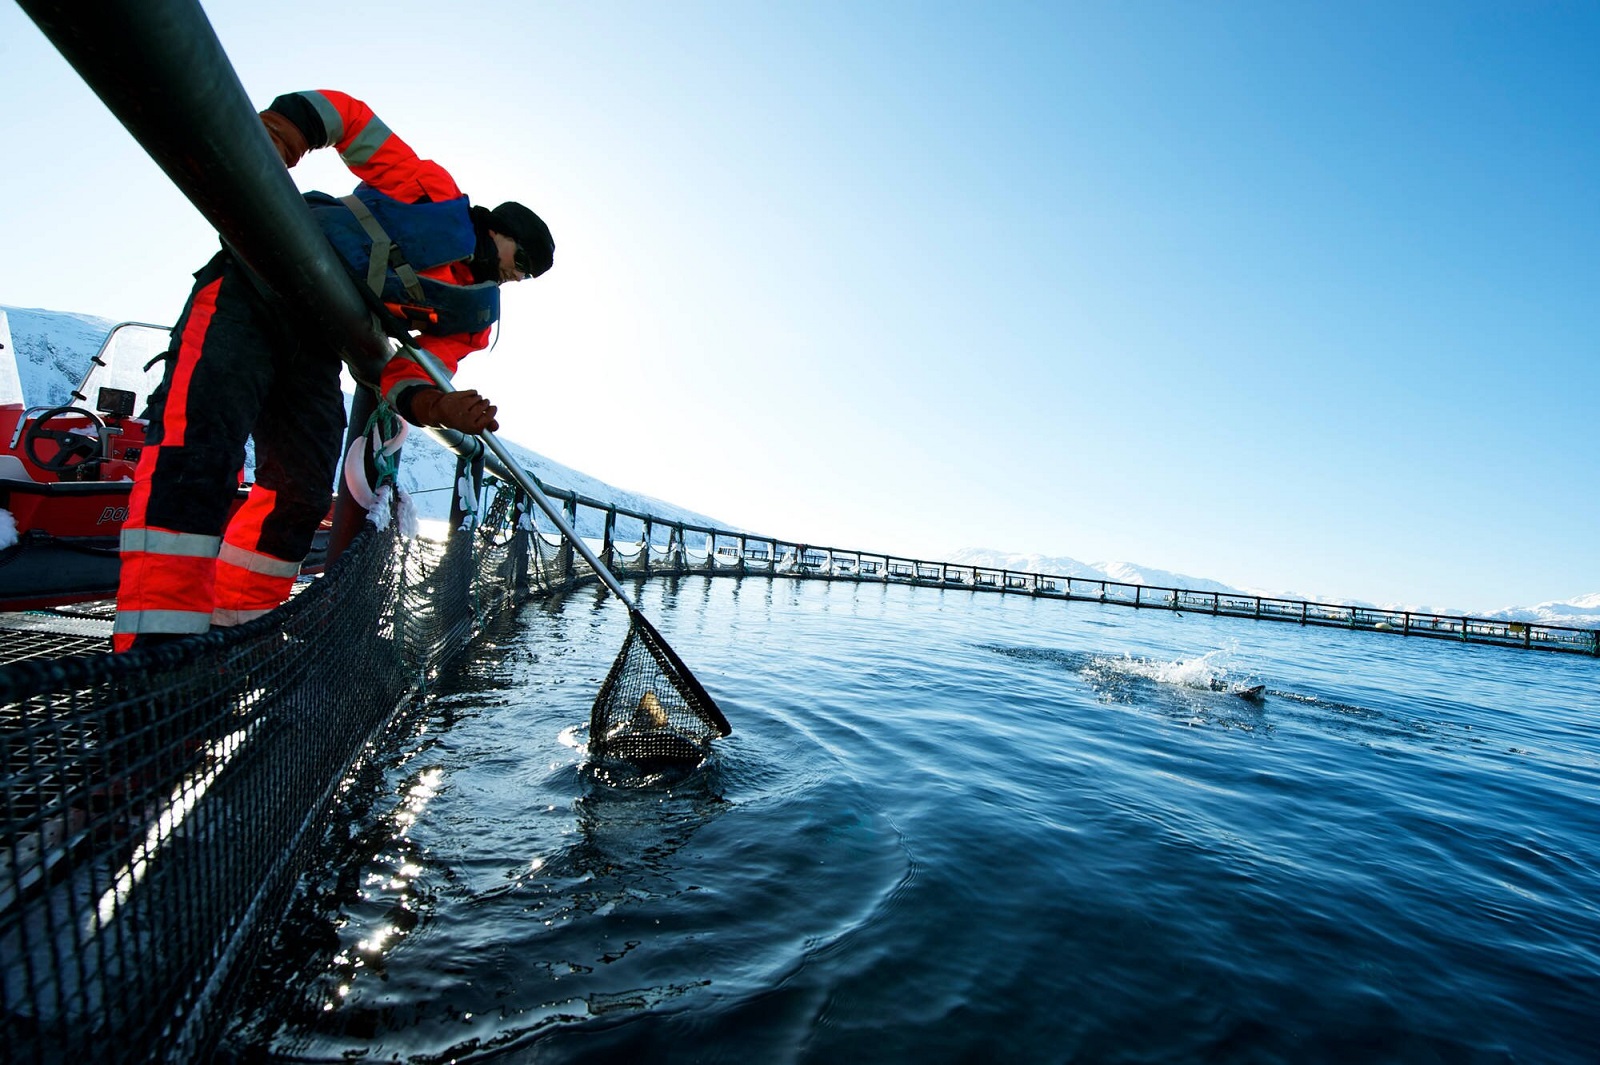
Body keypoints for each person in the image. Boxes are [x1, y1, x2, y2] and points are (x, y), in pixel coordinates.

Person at [112, 89, 553, 651]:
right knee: (196, 458)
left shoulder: (471, 323)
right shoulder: (431, 193)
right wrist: (279, 137)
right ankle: (153, 660)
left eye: (529, 276)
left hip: (316, 346)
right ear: (501, 231)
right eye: (525, 262)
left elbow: (404, 378)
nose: (520, 277)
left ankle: (236, 637)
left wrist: (441, 407)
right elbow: (349, 118)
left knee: (300, 492)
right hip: (247, 292)